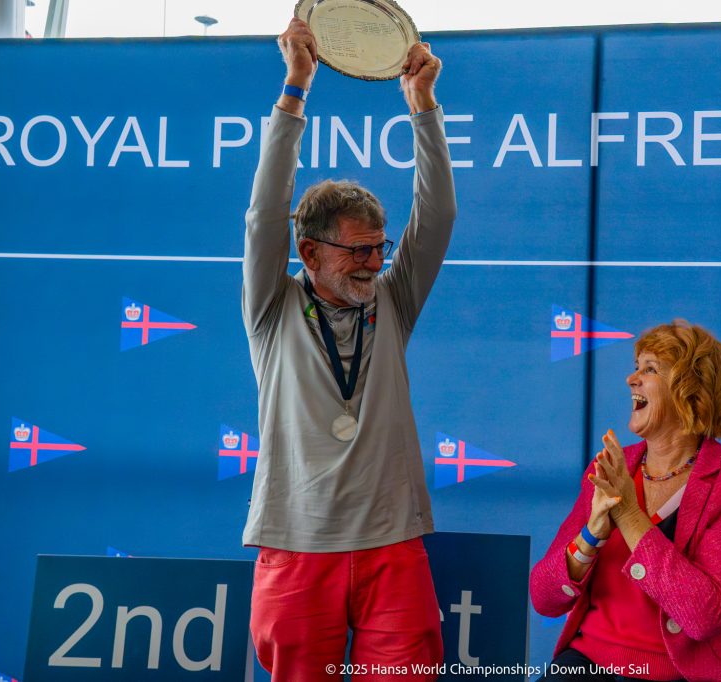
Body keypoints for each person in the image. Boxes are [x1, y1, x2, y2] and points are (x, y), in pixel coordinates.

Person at [240, 17, 455, 681]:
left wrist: (423, 108)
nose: (372, 262)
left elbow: (438, 217)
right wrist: (295, 88)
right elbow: (264, 215)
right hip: (297, 543)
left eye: (378, 248)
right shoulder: (272, 308)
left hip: (392, 543)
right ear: (309, 252)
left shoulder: (393, 299)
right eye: (357, 250)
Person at [530, 320, 721, 682]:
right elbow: (543, 597)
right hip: (585, 665)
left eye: (650, 369)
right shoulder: (610, 467)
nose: (631, 379)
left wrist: (628, 515)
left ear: (692, 391)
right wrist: (590, 537)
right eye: (636, 367)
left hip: (680, 675)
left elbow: (704, 616)